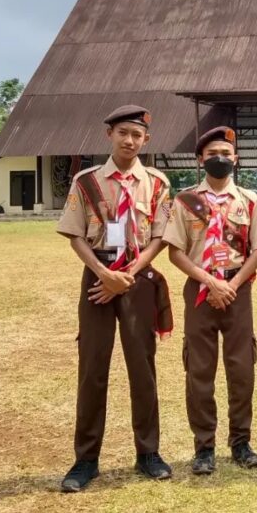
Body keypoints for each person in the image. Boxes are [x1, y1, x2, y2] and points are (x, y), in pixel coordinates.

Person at [56, 105, 175, 492]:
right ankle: (85, 459)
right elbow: (75, 234)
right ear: (109, 134)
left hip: (138, 280)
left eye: (136, 135)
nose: (129, 140)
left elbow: (159, 235)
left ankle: (148, 453)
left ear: (146, 140)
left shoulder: (157, 183)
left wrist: (129, 274)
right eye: (123, 132)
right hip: (98, 277)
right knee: (93, 368)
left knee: (143, 368)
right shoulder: (87, 182)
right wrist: (106, 274)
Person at [163, 126, 257, 474]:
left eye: (225, 154)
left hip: (238, 290)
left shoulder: (251, 202)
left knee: (241, 369)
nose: (219, 159)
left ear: (235, 159)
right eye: (211, 155)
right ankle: (204, 447)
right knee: (199, 370)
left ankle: (241, 441)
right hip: (200, 291)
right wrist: (210, 282)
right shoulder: (185, 200)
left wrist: (232, 284)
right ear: (199, 160)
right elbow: (175, 252)